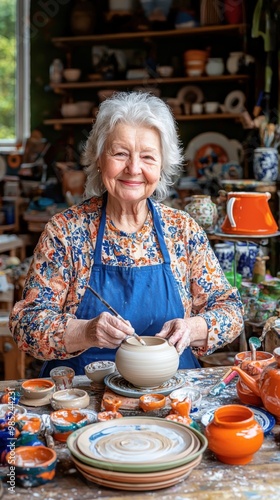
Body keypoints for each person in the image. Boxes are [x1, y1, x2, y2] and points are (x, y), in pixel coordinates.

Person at [10, 91, 243, 376]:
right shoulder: (66, 232)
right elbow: (26, 325)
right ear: (98, 159)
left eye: (147, 156)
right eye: (120, 153)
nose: (133, 168)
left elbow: (231, 310)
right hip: (84, 396)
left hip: (169, 391)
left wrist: (192, 328)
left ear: (161, 166)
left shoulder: (182, 230)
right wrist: (86, 331)